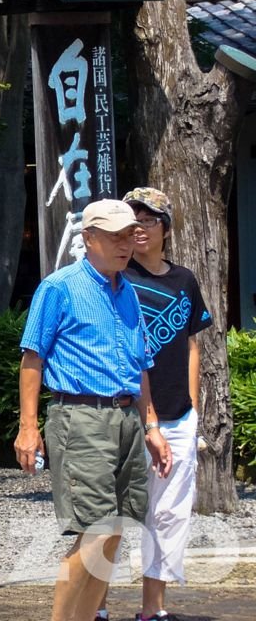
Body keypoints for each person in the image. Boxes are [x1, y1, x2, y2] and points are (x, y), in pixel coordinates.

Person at [15, 198, 173, 621]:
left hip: (126, 420)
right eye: (116, 236)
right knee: (93, 533)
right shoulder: (59, 288)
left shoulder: (129, 294)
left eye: (130, 235)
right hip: (80, 418)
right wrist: (27, 429)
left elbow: (140, 366)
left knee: (113, 533)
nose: (127, 244)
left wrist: (152, 425)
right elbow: (32, 360)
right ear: (89, 238)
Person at [94, 188, 212, 621]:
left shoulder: (184, 280)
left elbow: (192, 344)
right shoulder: (113, 281)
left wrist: (193, 405)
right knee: (107, 516)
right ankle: (97, 608)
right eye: (132, 220)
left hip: (177, 416)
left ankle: (153, 609)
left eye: (149, 219)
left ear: (166, 227)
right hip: (123, 415)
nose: (139, 228)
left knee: (169, 515)